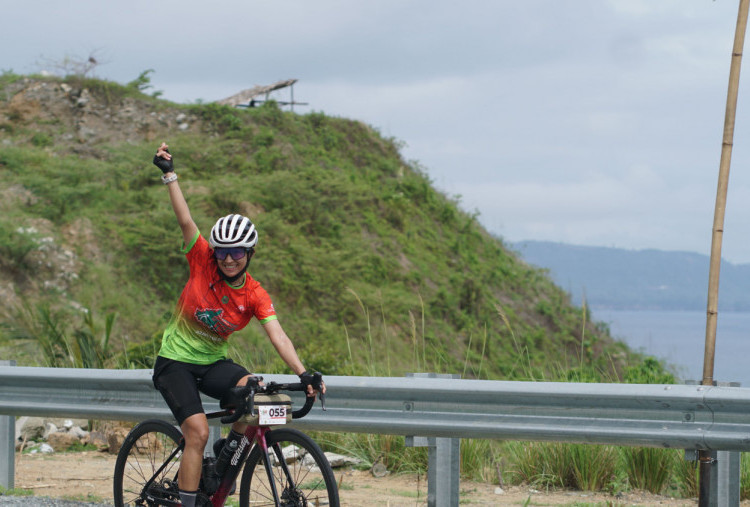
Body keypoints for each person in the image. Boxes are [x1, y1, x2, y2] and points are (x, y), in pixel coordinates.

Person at [150, 142, 324, 507]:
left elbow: (278, 334)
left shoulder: (254, 294)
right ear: (214, 252)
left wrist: (303, 372)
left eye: (237, 252)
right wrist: (170, 174)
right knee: (196, 432)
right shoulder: (202, 261)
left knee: (254, 392)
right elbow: (185, 221)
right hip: (175, 362)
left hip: (213, 363)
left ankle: (222, 463)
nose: (229, 259)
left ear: (250, 254)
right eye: (223, 252)